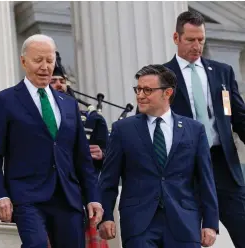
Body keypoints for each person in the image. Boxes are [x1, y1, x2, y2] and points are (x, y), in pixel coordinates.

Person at [0, 34, 103, 248]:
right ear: (23, 61)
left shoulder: (69, 104)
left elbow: (82, 158)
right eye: (38, 60)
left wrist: (93, 197)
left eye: (50, 60)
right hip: (27, 195)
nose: (45, 67)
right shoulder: (4, 101)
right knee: (36, 245)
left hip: (68, 197)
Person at [98, 64, 218, 248]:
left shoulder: (194, 130)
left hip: (184, 221)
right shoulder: (123, 129)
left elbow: (205, 179)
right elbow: (108, 179)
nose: (140, 95)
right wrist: (105, 217)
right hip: (139, 224)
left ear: (167, 93)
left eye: (147, 90)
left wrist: (210, 223)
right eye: (138, 89)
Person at [164, 10, 245, 247]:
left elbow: (239, 116)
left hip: (223, 165)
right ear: (176, 38)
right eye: (190, 40)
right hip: (183, 167)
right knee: (186, 238)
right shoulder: (162, 76)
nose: (197, 46)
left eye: (201, 39)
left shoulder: (222, 72)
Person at [49, 52, 109, 248]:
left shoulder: (92, 119)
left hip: (84, 191)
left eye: (62, 80)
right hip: (51, 192)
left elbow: (113, 156)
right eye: (54, 80)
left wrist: (102, 154)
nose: (59, 84)